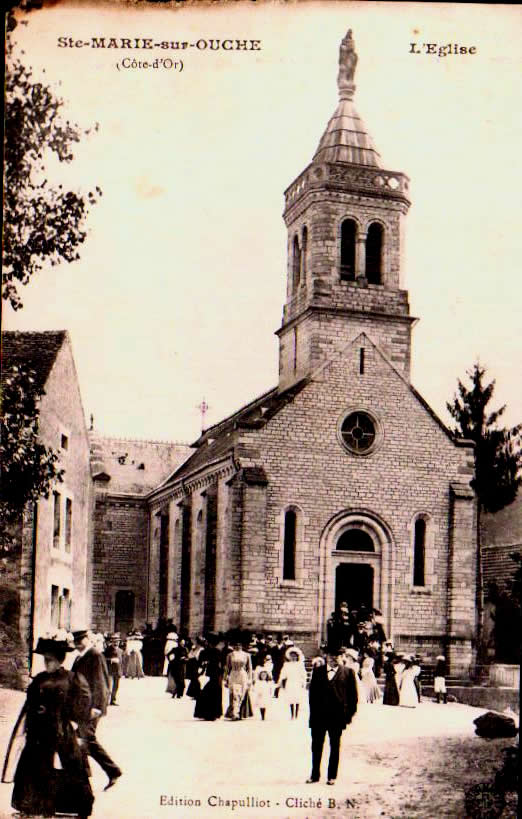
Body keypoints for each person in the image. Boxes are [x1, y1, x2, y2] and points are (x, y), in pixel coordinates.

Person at [3, 631, 94, 818]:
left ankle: (75, 805)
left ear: (60, 660)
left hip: (61, 732)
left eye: (50, 660)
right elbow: (31, 703)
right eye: (45, 660)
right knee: (35, 769)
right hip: (39, 733)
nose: (47, 664)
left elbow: (83, 702)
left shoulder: (72, 679)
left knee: (67, 768)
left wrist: (74, 720)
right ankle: (32, 806)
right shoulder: (39, 679)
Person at [72, 629, 122, 791]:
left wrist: (97, 707)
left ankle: (111, 771)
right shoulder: (81, 657)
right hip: (82, 706)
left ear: (87, 639)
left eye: (80, 641)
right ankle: (102, 772)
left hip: (92, 707)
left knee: (85, 738)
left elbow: (101, 683)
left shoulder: (95, 655)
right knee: (82, 739)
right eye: (76, 642)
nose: (78, 644)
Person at [307, 647, 358, 786]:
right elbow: (312, 696)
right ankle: (314, 775)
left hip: (337, 717)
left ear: (342, 657)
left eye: (337, 655)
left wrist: (348, 716)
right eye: (330, 655)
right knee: (316, 746)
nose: (333, 658)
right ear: (326, 656)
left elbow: (353, 697)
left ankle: (332, 776)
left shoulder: (348, 672)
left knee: (335, 746)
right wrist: (313, 715)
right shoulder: (318, 672)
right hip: (319, 717)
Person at [194, 634, 223, 721]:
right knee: (210, 693)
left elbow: (200, 663)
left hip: (212, 674)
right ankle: (210, 713)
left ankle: (209, 713)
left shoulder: (210, 652)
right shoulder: (212, 652)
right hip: (211, 674)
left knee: (209, 693)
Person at [223, 639, 253, 720]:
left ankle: (240, 713)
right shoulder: (230, 655)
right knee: (234, 693)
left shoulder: (247, 655)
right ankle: (234, 713)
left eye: (239, 644)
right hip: (233, 674)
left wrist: (250, 679)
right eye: (236, 644)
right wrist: (225, 678)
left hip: (242, 675)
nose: (238, 646)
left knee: (242, 693)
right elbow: (227, 667)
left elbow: (249, 668)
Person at [278, 646, 307, 719]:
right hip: (290, 682)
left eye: (295, 656)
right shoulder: (287, 664)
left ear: (297, 657)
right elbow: (283, 674)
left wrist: (303, 682)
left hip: (298, 682)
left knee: (297, 698)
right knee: (291, 698)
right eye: (292, 656)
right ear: (289, 657)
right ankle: (292, 714)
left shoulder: (300, 664)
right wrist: (281, 681)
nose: (293, 657)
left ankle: (296, 714)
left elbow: (303, 674)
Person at [104, 633, 123, 706]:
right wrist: (111, 660)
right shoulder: (108, 649)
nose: (116, 642)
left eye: (117, 641)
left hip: (118, 671)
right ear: (112, 642)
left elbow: (121, 661)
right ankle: (106, 700)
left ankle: (113, 700)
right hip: (110, 670)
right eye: (114, 641)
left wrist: (122, 671)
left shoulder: (120, 650)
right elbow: (103, 658)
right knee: (109, 686)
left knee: (116, 686)